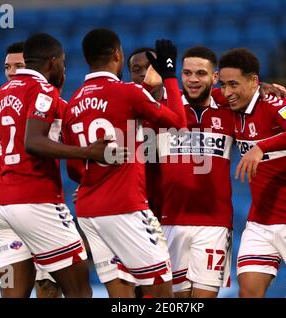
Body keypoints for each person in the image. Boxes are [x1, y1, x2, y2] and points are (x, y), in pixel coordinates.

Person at [0, 33, 121, 298]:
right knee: (79, 291)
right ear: (53, 63)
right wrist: (88, 154)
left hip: (1, 209)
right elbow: (37, 144)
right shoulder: (46, 93)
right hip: (38, 203)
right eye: (63, 64)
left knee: (14, 294)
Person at [62, 28, 186, 298]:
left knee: (119, 287)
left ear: (86, 59)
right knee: (162, 281)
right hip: (125, 206)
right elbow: (179, 122)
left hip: (87, 209)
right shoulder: (128, 92)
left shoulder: (72, 104)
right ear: (117, 55)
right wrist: (168, 75)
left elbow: (73, 168)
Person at [218, 48, 286, 298]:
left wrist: (261, 146)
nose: (227, 92)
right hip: (261, 221)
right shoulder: (230, 102)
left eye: (233, 84)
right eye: (223, 85)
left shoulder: (274, 103)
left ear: (253, 81)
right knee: (248, 291)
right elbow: (201, 92)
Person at [0, 40, 65, 299]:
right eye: (7, 67)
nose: (13, 72)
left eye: (20, 66)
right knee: (15, 291)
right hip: (19, 210)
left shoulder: (53, 103)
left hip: (38, 207)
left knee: (46, 289)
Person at [151, 46, 235, 298]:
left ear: (215, 77)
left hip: (215, 224)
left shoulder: (229, 110)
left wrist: (263, 87)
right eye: (187, 73)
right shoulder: (164, 107)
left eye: (201, 73)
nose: (193, 79)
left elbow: (245, 90)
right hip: (171, 221)